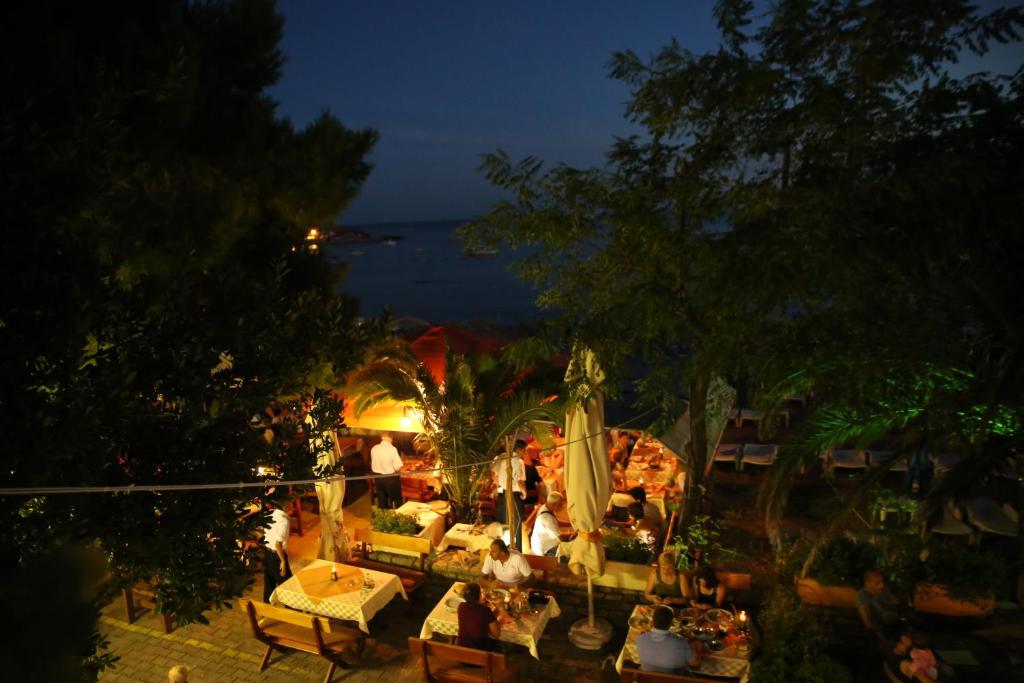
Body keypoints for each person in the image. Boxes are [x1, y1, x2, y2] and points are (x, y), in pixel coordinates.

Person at [635, 605, 702, 674]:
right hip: (671, 677)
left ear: (652, 622)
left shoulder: (640, 638)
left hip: (647, 676)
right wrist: (695, 646)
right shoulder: (680, 642)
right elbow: (695, 665)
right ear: (670, 624)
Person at [491, 439, 527, 549]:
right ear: (518, 449)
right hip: (514, 494)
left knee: (503, 522)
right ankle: (516, 549)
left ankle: (502, 549)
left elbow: (494, 475)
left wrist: (499, 486)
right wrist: (524, 492)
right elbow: (519, 481)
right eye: (524, 450)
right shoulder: (518, 461)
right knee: (516, 522)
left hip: (503, 493)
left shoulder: (500, 457)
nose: (524, 453)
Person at [857, 569, 901, 643]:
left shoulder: (884, 590)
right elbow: (867, 621)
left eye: (882, 582)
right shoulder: (863, 595)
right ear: (867, 584)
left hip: (894, 625)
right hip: (881, 631)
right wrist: (882, 639)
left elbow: (895, 603)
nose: (882, 585)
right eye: (877, 583)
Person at [456, 582, 501, 651]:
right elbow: (496, 634)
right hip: (480, 653)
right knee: (497, 644)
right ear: (479, 595)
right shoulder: (485, 611)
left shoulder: (461, 607)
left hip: (462, 650)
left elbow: (473, 615)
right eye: (481, 592)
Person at [261, 501, 292, 602]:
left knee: (269, 584)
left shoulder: (270, 514)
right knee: (288, 586)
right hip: (277, 556)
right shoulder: (284, 520)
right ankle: (293, 609)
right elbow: (277, 544)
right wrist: (283, 561)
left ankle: (265, 607)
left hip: (267, 553)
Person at [370, 433, 403, 509]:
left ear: (382, 438)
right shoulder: (392, 449)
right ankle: (396, 514)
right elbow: (397, 468)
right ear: (391, 439)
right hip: (390, 478)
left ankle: (383, 515)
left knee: (382, 501)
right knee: (396, 500)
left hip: (377, 477)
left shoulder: (374, 448)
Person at [530, 492, 565, 557]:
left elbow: (555, 522)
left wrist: (570, 524)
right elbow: (561, 538)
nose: (562, 507)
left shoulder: (545, 507)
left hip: (539, 544)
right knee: (570, 553)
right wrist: (575, 534)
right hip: (545, 551)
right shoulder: (547, 518)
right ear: (554, 504)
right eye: (560, 504)